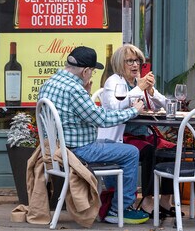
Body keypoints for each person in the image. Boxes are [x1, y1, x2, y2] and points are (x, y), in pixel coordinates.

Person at [37, 46, 150, 225]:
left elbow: (74, 113)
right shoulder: (74, 89)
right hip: (78, 150)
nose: (91, 75)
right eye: (92, 72)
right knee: (130, 152)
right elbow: (101, 119)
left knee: (113, 145)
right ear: (86, 71)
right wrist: (133, 111)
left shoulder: (49, 83)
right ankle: (118, 209)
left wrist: (87, 93)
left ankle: (111, 199)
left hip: (57, 148)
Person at [97, 44, 177, 219]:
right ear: (120, 63)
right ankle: (147, 199)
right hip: (122, 136)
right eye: (130, 61)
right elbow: (114, 107)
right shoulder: (114, 81)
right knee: (150, 152)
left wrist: (151, 91)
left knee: (171, 150)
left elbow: (163, 105)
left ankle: (165, 200)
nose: (135, 65)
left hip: (143, 133)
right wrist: (139, 89)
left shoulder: (137, 81)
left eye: (138, 61)